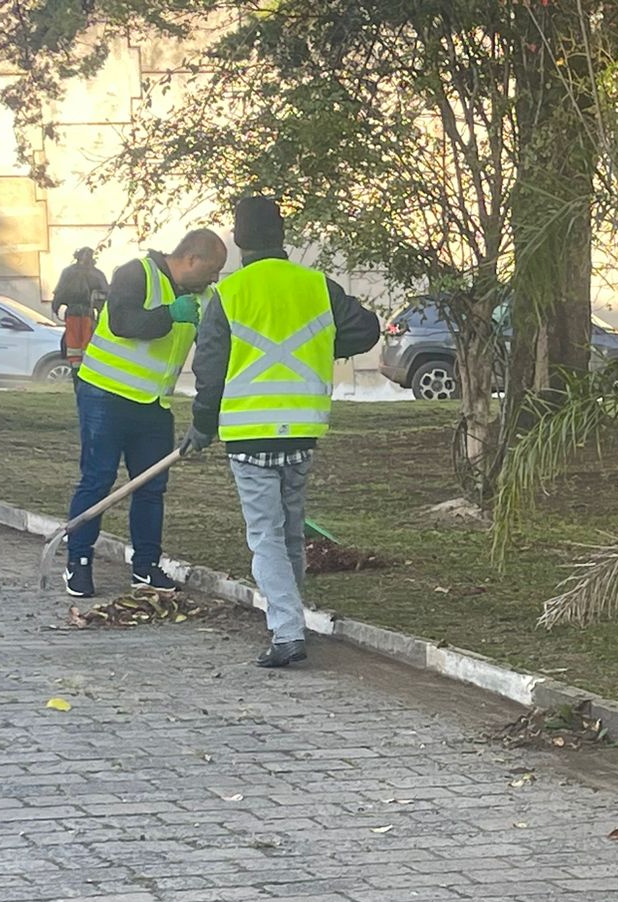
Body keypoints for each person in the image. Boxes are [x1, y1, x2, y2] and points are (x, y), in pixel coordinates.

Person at [181, 196, 381, 668]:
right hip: (302, 430)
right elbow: (366, 331)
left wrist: (202, 426)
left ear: (240, 239)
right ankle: (289, 620)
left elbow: (210, 370)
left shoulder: (230, 294)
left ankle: (288, 631)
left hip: (249, 435)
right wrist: (322, 344)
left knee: (266, 536)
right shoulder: (317, 286)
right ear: (281, 236)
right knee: (289, 533)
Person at [62, 230, 229, 598]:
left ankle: (146, 567)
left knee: (151, 487)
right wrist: (170, 314)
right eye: (213, 269)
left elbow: (212, 351)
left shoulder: (204, 296)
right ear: (191, 259)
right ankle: (78, 561)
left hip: (153, 404)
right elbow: (123, 323)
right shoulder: (136, 273)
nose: (215, 278)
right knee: (98, 478)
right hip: (105, 395)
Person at [51, 248, 111, 371]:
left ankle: (80, 368)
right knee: (77, 344)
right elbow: (105, 295)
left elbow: (104, 296)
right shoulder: (93, 273)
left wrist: (56, 307)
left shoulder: (71, 272)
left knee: (81, 344)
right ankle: (78, 369)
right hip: (80, 313)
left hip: (84, 313)